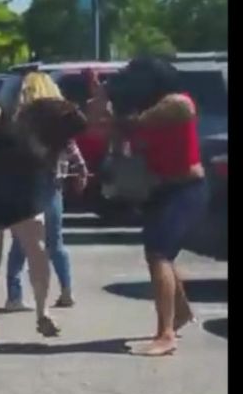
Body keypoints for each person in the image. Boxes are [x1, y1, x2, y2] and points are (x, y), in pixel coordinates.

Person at [87, 57, 206, 357]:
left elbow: (135, 124)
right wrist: (100, 98)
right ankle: (180, 315)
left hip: (185, 189)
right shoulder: (139, 109)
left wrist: (115, 108)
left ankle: (166, 335)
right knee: (158, 253)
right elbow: (99, 128)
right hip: (160, 189)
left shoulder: (177, 103)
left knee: (159, 254)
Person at [0, 76, 87, 342]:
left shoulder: (49, 123)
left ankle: (42, 312)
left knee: (37, 250)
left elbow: (78, 128)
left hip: (23, 190)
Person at [4, 73, 88, 311]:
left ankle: (14, 295)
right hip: (53, 184)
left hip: (24, 185)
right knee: (55, 242)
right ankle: (66, 290)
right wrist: (81, 172)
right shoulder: (60, 118)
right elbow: (73, 149)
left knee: (20, 243)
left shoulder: (20, 118)